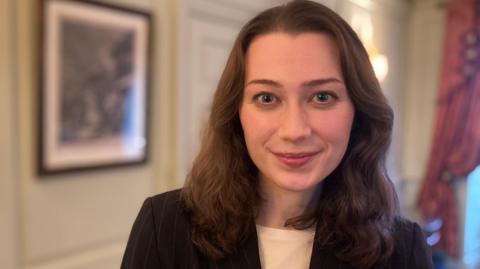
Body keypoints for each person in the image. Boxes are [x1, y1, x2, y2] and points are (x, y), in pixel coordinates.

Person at [121, 1, 433, 268]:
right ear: (236, 112)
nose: (294, 130)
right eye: (267, 98)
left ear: (359, 111)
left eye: (322, 97)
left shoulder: (402, 250)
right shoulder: (163, 227)